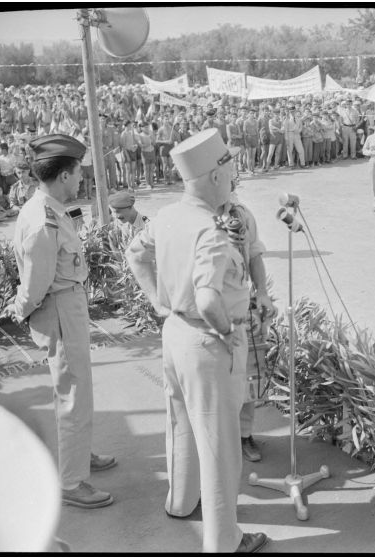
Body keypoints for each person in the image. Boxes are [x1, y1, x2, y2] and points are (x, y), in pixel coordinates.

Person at [125, 129, 268, 553]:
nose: (235, 171)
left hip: (175, 333)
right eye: (229, 165)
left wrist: (158, 300)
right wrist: (227, 332)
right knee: (221, 445)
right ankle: (225, 541)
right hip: (209, 340)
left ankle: (181, 502)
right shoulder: (211, 228)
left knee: (181, 422)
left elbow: (135, 253)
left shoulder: (168, 215)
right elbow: (208, 299)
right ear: (214, 175)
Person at [6, 134, 116, 510]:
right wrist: (20, 309)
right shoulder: (43, 220)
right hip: (59, 309)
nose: (82, 179)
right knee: (72, 394)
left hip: (66, 305)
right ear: (65, 174)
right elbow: (35, 285)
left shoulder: (47, 209)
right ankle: (71, 482)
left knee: (74, 390)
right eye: (79, 172)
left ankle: (78, 456)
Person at [217, 183, 277, 462]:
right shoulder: (196, 218)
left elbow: (254, 255)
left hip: (242, 309)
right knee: (216, 381)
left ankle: (244, 435)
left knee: (247, 374)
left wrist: (262, 293)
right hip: (209, 314)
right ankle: (218, 441)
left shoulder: (243, 214)